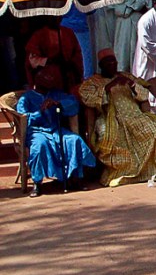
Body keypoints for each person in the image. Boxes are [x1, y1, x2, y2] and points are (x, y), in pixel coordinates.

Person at [79, 48, 156, 187]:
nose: (112, 66)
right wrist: (108, 87)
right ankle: (120, 173)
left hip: (134, 115)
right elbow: (88, 99)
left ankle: (152, 171)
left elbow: (144, 95)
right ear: (101, 66)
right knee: (109, 136)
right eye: (107, 63)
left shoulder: (126, 76)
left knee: (154, 130)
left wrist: (132, 85)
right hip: (110, 118)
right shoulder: (92, 82)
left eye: (113, 62)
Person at [18, 65, 97, 197]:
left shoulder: (55, 94)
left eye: (50, 76)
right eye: (45, 76)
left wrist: (58, 104)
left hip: (56, 129)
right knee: (39, 146)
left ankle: (76, 179)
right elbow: (23, 117)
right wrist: (40, 112)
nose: (49, 79)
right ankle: (37, 183)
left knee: (74, 140)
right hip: (37, 132)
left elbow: (73, 102)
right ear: (36, 79)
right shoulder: (26, 98)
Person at [25, 16, 84, 94]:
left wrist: (74, 69)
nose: (56, 18)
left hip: (69, 80)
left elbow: (77, 55)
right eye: (53, 16)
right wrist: (49, 60)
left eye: (58, 16)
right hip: (47, 83)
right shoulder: (39, 35)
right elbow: (31, 60)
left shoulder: (68, 32)